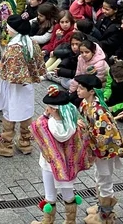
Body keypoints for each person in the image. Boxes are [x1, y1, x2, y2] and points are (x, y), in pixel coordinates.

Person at [29, 87, 94, 224]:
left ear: (53, 110)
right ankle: (70, 221)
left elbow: (37, 125)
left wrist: (45, 115)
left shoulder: (49, 124)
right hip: (68, 164)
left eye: (48, 107)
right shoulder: (72, 120)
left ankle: (47, 221)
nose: (46, 109)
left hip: (49, 163)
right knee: (68, 192)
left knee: (50, 194)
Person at [0, 15, 46, 158]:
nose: (7, 30)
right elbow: (39, 65)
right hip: (27, 86)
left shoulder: (14, 47)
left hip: (14, 86)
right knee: (26, 110)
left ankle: (5, 145)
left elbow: (9, 69)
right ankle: (25, 143)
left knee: (10, 111)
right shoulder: (31, 43)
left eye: (8, 28)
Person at [73, 73, 123, 223]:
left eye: (81, 88)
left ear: (91, 91)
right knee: (99, 177)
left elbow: (104, 136)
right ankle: (102, 206)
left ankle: (105, 215)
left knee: (104, 179)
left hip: (104, 150)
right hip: (97, 148)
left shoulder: (98, 111)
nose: (78, 90)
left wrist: (86, 132)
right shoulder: (85, 103)